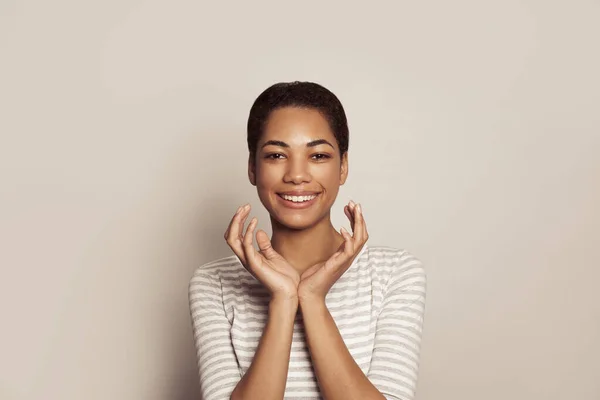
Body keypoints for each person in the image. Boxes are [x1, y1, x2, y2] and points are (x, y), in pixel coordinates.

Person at [188, 81, 427, 400]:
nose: (297, 175)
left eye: (317, 155)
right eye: (276, 155)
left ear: (343, 167)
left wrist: (312, 299)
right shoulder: (214, 282)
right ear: (252, 168)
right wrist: (284, 299)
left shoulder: (395, 274)